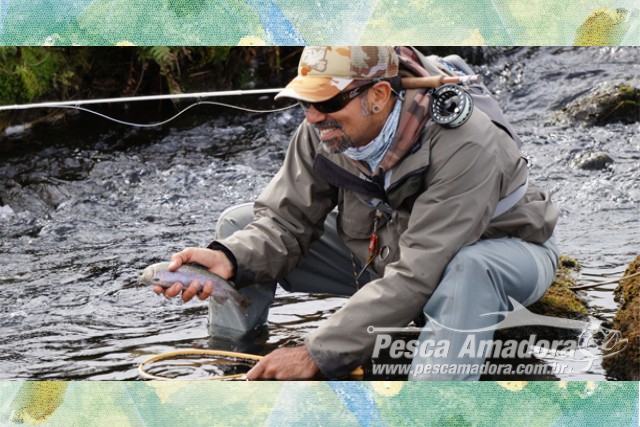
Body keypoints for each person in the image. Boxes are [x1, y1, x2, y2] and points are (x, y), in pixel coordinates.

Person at [154, 46, 559, 380]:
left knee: (469, 268)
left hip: (500, 256)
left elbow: (420, 272)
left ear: (379, 95)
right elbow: (284, 222)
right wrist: (229, 259)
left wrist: (316, 354)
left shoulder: (465, 143)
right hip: (392, 254)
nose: (313, 116)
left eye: (327, 101)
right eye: (306, 101)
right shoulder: (322, 130)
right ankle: (236, 360)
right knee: (238, 226)